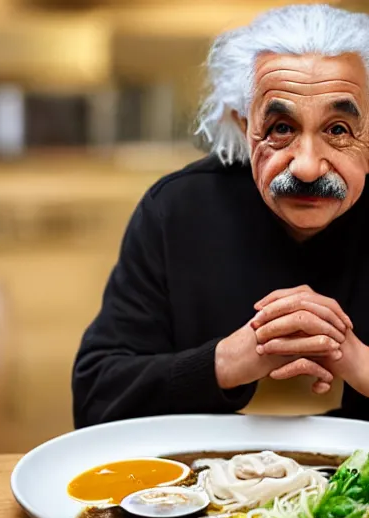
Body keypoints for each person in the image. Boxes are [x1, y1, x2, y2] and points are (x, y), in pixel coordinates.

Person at [72, 3, 369, 429]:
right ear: (243, 125)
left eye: (338, 130)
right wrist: (231, 360)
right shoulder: (175, 211)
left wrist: (357, 361)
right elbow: (96, 399)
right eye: (281, 128)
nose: (306, 167)